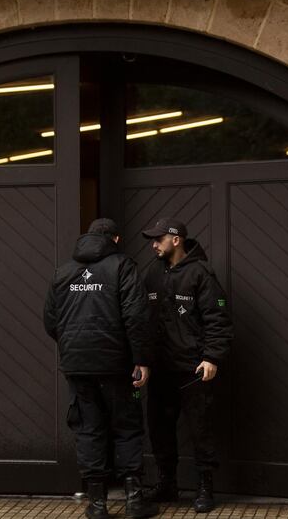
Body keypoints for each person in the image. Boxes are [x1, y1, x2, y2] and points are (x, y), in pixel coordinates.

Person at [43, 218, 159, 519]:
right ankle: (134, 501)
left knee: (89, 429)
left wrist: (74, 347)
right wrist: (141, 360)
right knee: (127, 427)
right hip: (116, 366)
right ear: (116, 239)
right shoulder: (123, 266)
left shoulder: (64, 271)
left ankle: (97, 504)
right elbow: (136, 316)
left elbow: (50, 321)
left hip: (78, 367)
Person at [141, 218, 233, 514]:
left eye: (158, 239)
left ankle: (205, 487)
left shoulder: (201, 273)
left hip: (193, 369)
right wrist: (142, 360)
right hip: (160, 370)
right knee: (159, 429)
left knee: (200, 429)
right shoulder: (151, 273)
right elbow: (140, 319)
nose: (153, 244)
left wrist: (212, 357)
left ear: (176, 239)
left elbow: (218, 318)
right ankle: (167, 484)